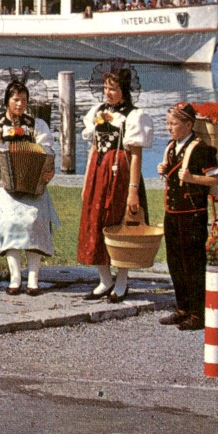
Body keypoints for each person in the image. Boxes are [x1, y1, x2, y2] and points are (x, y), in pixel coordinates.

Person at [0, 80, 59, 295]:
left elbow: (48, 155)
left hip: (32, 185)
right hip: (2, 186)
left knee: (36, 219)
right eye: (16, 99)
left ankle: (34, 278)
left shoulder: (36, 125)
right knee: (9, 221)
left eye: (24, 100)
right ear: (7, 101)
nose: (20, 104)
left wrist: (49, 171)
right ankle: (15, 277)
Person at [77, 61, 152, 302]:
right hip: (99, 173)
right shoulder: (97, 112)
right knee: (95, 223)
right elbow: (92, 148)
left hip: (121, 174)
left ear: (124, 90)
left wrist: (133, 190)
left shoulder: (134, 115)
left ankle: (121, 281)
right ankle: (104, 279)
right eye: (106, 88)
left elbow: (136, 154)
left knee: (120, 224)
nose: (107, 93)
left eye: (113, 88)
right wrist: (87, 181)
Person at [157, 102, 218, 331]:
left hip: (192, 214)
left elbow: (217, 180)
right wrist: (164, 170)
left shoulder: (201, 149)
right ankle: (182, 308)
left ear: (188, 124)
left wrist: (193, 178)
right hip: (172, 213)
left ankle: (197, 313)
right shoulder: (171, 147)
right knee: (175, 262)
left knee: (193, 264)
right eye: (168, 123)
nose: (169, 128)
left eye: (174, 124)